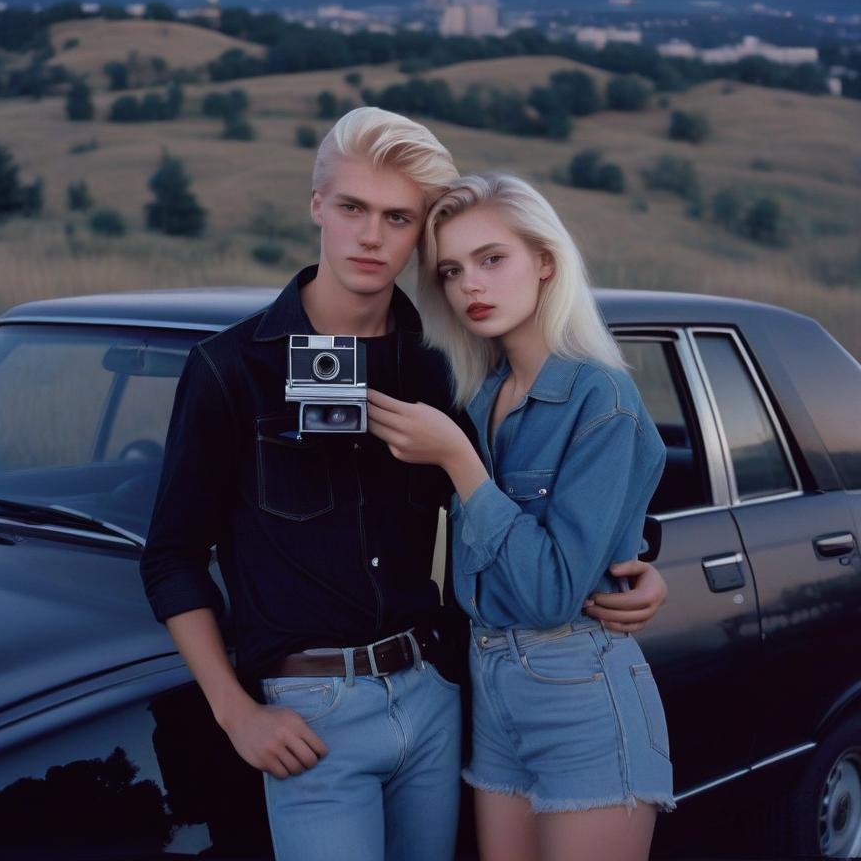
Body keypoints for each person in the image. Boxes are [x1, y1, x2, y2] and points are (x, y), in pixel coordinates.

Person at [139, 110, 668, 861]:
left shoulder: (448, 370)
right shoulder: (231, 370)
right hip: (312, 715)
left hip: (441, 698)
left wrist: (641, 561)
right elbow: (171, 557)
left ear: (418, 234)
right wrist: (234, 712)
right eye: (353, 208)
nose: (371, 236)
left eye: (398, 219)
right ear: (317, 204)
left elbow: (546, 492)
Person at [366, 172, 675, 861]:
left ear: (545, 261)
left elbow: (550, 592)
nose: (470, 285)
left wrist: (460, 464)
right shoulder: (483, 401)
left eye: (491, 259)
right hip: (493, 690)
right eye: (451, 270)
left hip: (580, 690)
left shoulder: (603, 398)